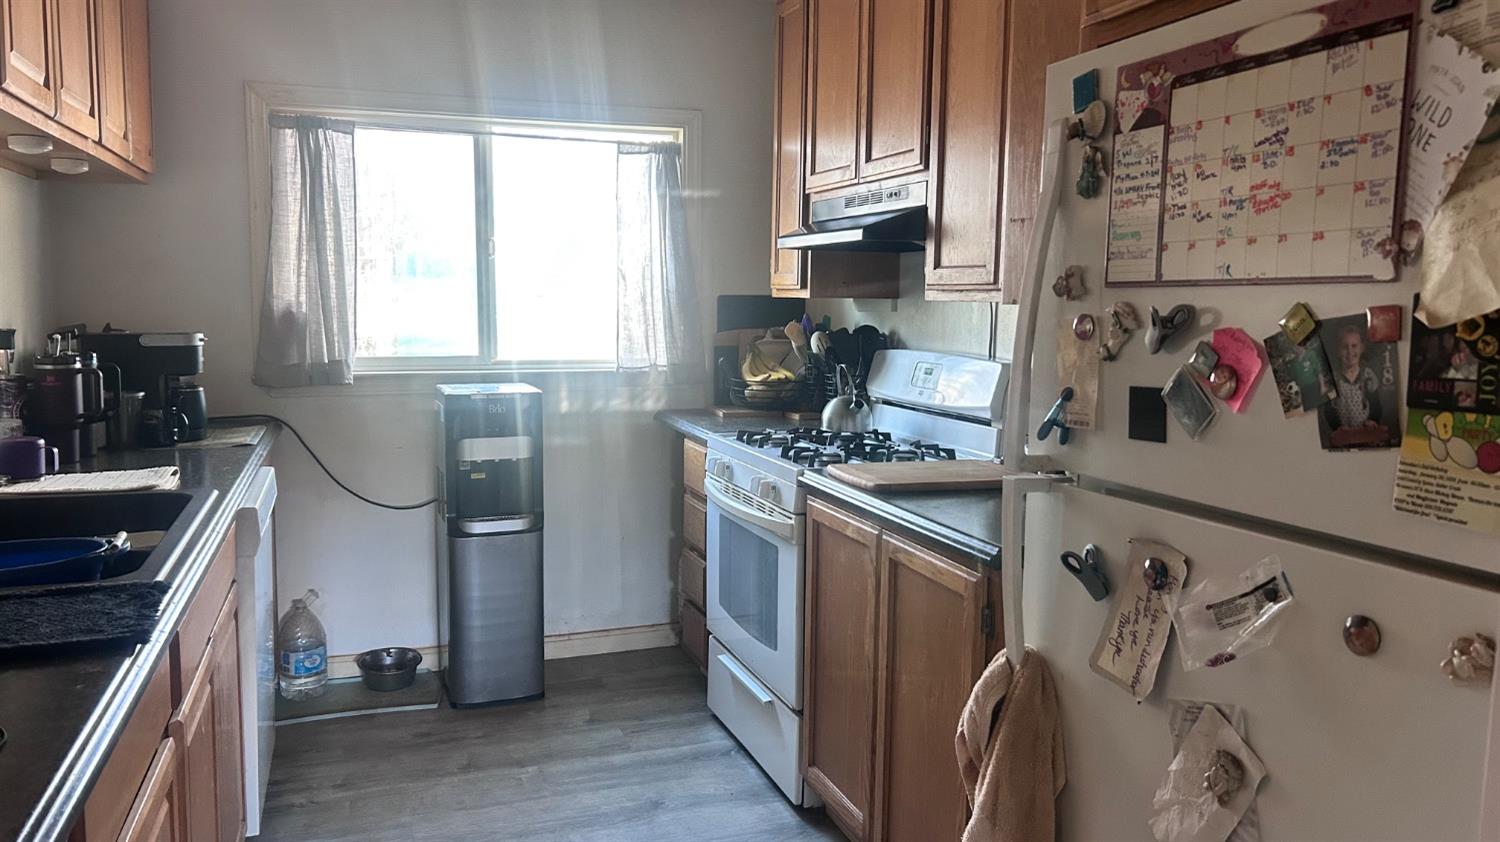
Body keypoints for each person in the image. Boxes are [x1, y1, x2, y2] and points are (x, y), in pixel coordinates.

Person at [1325, 324, 1383, 430]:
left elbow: (1376, 405)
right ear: (1338, 350)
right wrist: (1337, 427)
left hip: (1365, 431)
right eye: (1345, 347)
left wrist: (1372, 420)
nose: (1350, 351)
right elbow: (1329, 410)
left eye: (1354, 346)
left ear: (1362, 348)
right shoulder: (1333, 379)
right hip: (1343, 434)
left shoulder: (1368, 376)